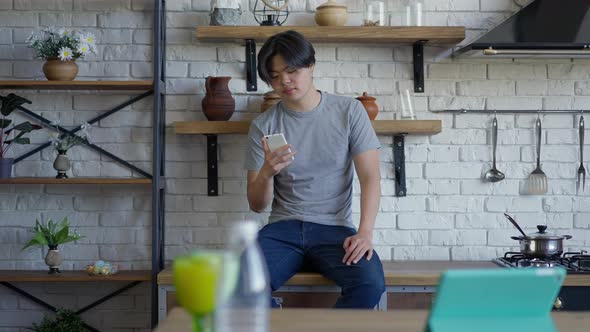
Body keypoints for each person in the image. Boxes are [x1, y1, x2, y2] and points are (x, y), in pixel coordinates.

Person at [244, 30, 385, 309]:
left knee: (370, 283)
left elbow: (370, 178)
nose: (284, 81)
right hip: (282, 229)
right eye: (274, 76)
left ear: (310, 66)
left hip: (334, 230)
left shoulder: (349, 111)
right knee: (242, 287)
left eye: (292, 70)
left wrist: (365, 232)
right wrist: (267, 173)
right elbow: (257, 205)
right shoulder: (263, 125)